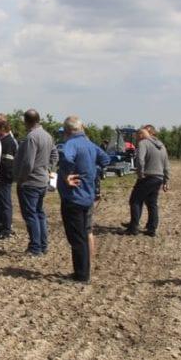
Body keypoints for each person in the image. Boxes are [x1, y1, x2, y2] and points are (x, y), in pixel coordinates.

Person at [57, 116, 110, 283]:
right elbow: (106, 159)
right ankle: (83, 272)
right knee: (84, 234)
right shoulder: (90, 144)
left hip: (73, 197)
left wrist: (66, 175)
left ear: (67, 131)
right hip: (88, 196)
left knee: (77, 238)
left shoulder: (71, 144)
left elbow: (66, 158)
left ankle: (81, 275)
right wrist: (91, 171)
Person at [13, 109, 58, 257]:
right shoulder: (47, 135)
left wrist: (21, 178)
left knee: (31, 215)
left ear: (26, 121)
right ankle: (43, 245)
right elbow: (55, 155)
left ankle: (35, 247)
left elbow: (28, 163)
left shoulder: (32, 137)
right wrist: (48, 169)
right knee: (39, 213)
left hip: (30, 182)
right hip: (42, 181)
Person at [123, 125, 170, 237]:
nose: (136, 138)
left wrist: (140, 174)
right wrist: (166, 180)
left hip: (148, 176)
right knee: (152, 202)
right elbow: (166, 164)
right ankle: (152, 228)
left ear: (141, 135)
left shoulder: (143, 143)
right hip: (159, 178)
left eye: (137, 135)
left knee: (135, 200)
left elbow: (140, 160)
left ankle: (133, 228)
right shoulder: (161, 145)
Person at [0, 115, 18, 240]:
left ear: (2, 129)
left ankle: (6, 228)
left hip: (4, 176)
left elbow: (8, 162)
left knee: (5, 202)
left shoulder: (8, 142)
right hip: (1, 176)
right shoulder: (3, 140)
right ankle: (0, 225)